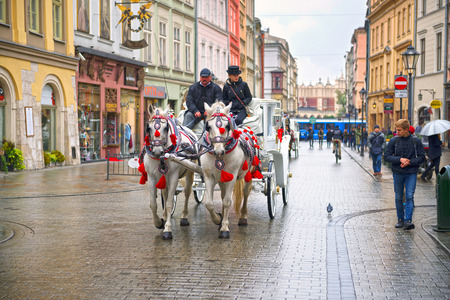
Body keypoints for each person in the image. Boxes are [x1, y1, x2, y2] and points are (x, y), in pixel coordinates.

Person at [384, 119, 425, 230]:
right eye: (397, 129)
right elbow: (386, 156)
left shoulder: (416, 141)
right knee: (398, 197)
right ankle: (400, 219)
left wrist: (409, 162)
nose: (397, 132)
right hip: (398, 172)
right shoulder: (394, 141)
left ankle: (408, 220)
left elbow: (422, 157)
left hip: (411, 173)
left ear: (407, 130)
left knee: (409, 196)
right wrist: (400, 159)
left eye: (399, 130)